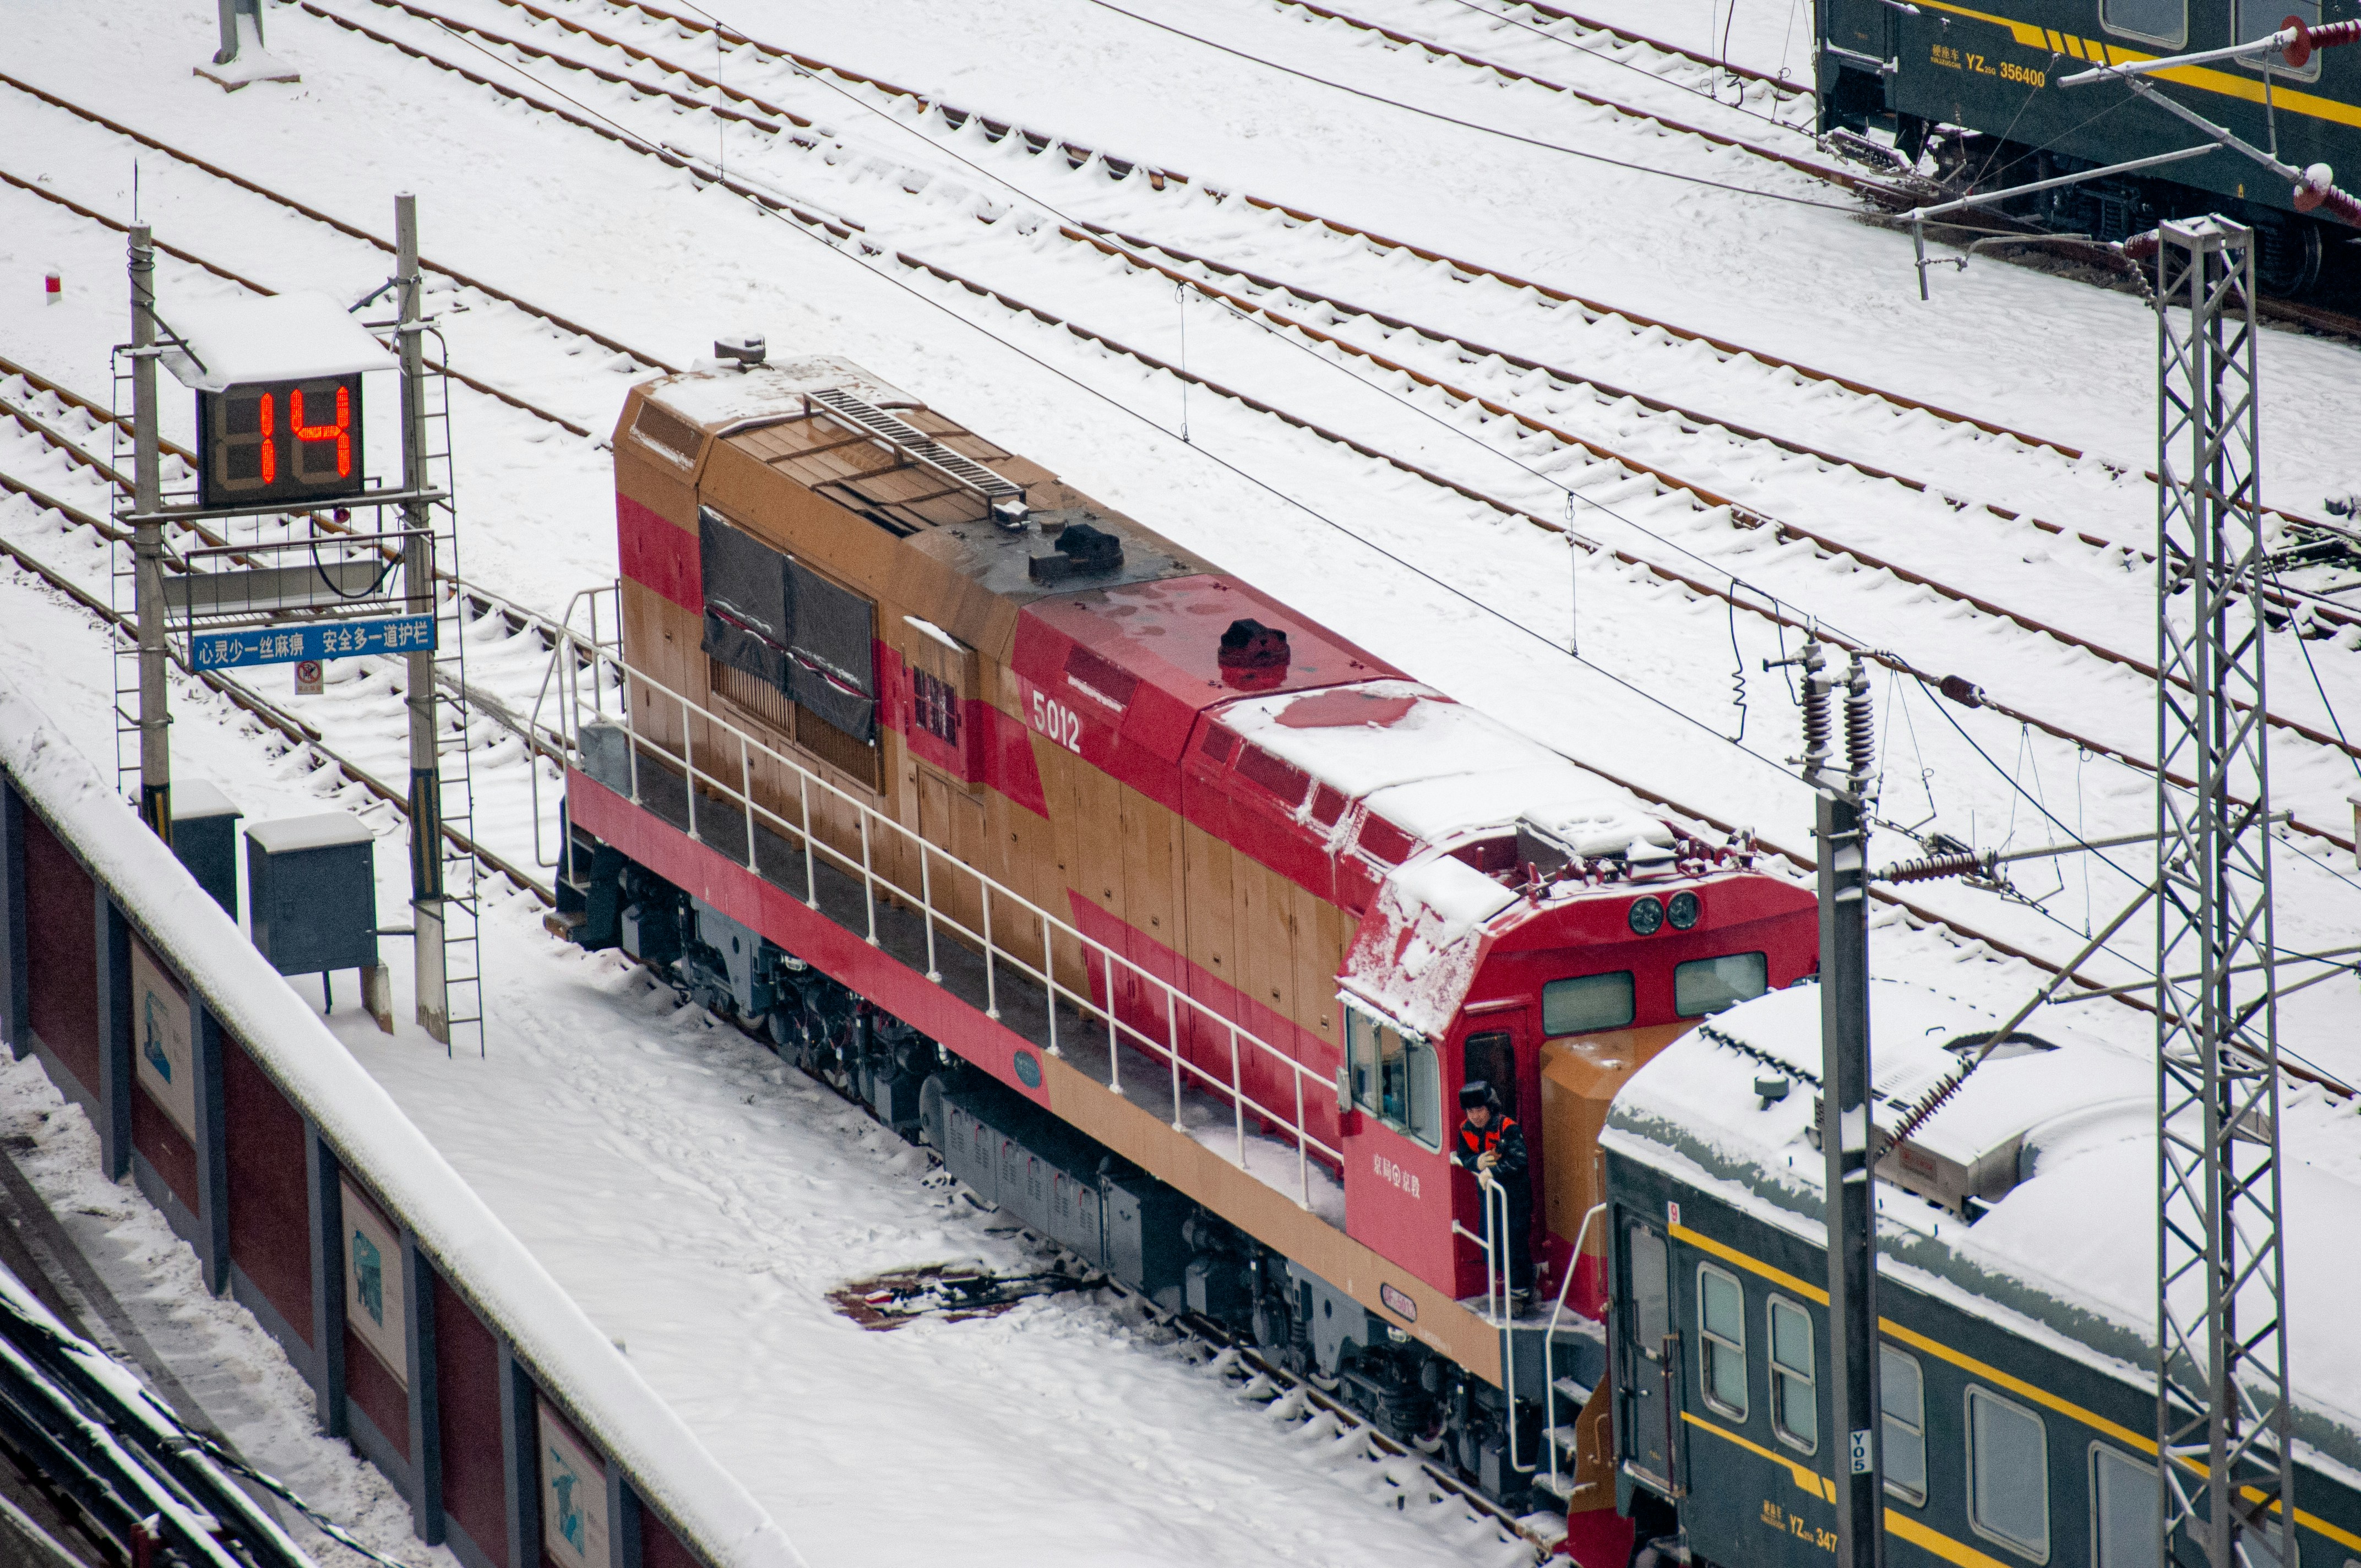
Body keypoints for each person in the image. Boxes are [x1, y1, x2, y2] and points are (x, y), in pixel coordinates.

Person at [1453, 1080, 1533, 1313]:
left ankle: (1519, 1295)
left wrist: (1493, 1171)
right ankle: (1517, 1280)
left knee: (1515, 1244)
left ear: (1490, 1107)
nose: (1475, 1116)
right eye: (1470, 1111)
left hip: (1516, 1198)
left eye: (1479, 1110)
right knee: (1491, 1243)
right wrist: (1475, 1163)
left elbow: (1520, 1160)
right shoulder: (1465, 1130)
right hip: (1489, 1199)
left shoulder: (1508, 1128)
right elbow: (1465, 1155)